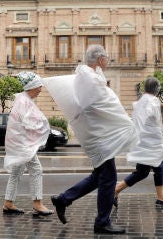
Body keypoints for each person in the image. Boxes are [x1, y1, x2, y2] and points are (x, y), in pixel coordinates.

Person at [47, 44, 138, 234]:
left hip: (99, 136)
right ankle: (102, 222)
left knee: (99, 176)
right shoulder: (90, 79)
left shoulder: (87, 77)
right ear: (101, 59)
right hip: (100, 138)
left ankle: (63, 199)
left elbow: (101, 103)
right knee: (109, 178)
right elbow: (102, 105)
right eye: (106, 58)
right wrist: (126, 123)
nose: (107, 62)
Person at [113, 77, 163, 209]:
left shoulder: (142, 101)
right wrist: (160, 140)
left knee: (144, 172)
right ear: (157, 89)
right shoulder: (151, 102)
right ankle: (160, 197)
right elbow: (152, 125)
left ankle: (160, 197)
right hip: (149, 145)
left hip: (145, 144)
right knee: (154, 168)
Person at [2, 71, 54, 216]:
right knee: (36, 170)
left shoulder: (22, 99)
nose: (40, 90)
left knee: (16, 173)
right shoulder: (24, 101)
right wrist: (42, 126)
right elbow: (28, 122)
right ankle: (37, 204)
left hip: (19, 143)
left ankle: (8, 203)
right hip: (22, 145)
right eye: (39, 86)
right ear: (32, 86)